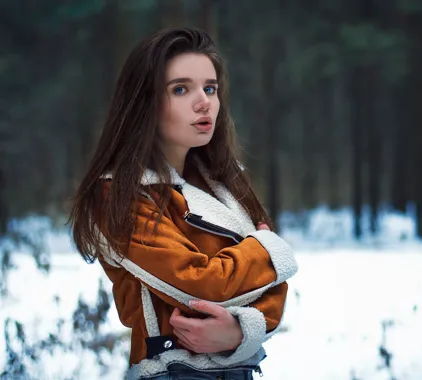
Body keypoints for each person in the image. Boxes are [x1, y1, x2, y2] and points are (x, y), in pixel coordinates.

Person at [69, 27, 298, 380]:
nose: (203, 101)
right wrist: (265, 250)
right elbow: (200, 284)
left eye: (210, 88)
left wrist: (240, 331)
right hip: (173, 372)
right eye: (181, 89)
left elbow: (275, 288)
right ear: (145, 102)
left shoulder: (225, 184)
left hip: (240, 371)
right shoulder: (120, 194)